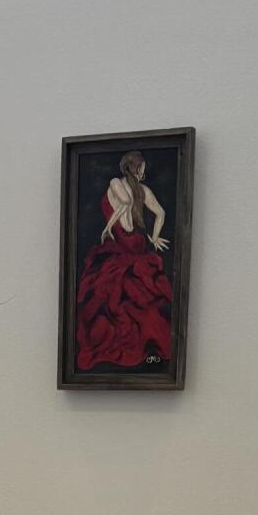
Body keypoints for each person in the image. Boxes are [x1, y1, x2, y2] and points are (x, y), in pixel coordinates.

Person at [74, 150, 172, 371]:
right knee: (129, 293)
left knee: (111, 294)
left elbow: (125, 202)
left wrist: (108, 227)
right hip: (135, 242)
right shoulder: (136, 188)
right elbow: (160, 213)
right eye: (141, 170)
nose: (143, 175)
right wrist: (154, 238)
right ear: (134, 168)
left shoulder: (119, 184)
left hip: (124, 243)